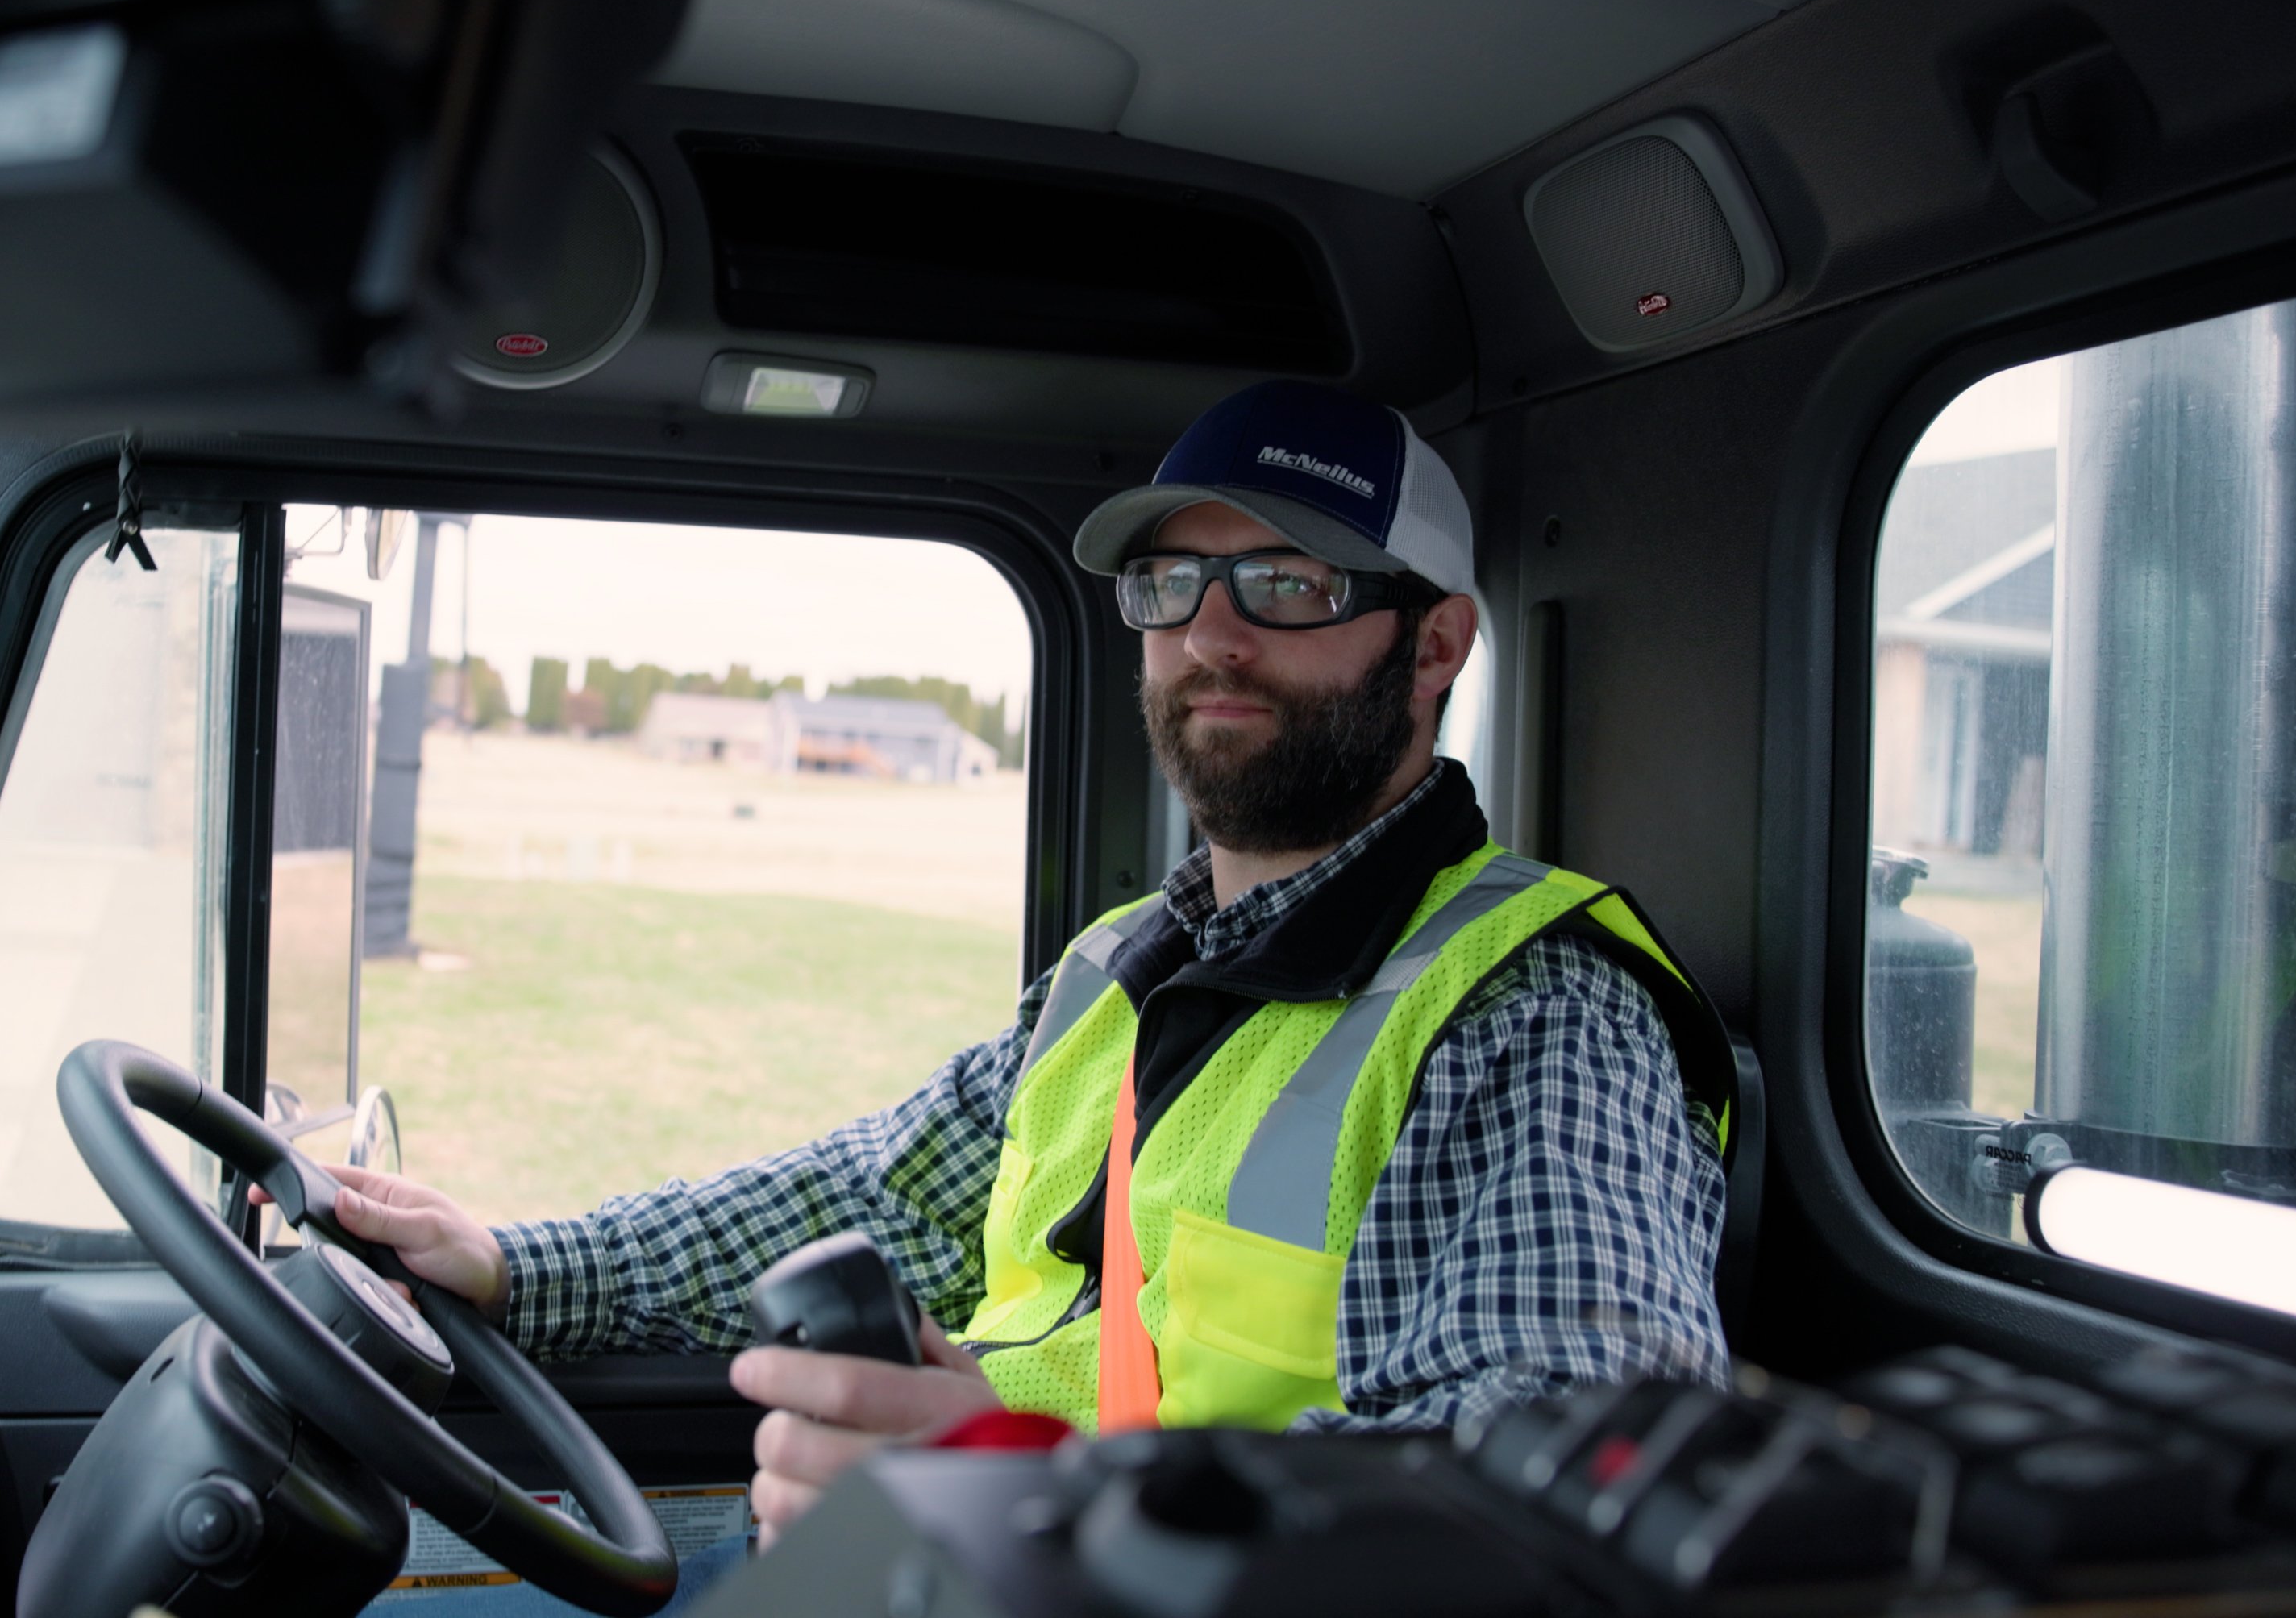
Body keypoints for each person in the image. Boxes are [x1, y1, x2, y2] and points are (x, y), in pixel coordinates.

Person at [321, 379, 1735, 1559]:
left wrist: (1044, 1506)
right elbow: (877, 1193)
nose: (1212, 634)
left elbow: (1576, 1476)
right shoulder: (1121, 964)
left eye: (1290, 584)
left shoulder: (1535, 1006)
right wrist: (515, 1262)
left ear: (1433, 646)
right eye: (1173, 582)